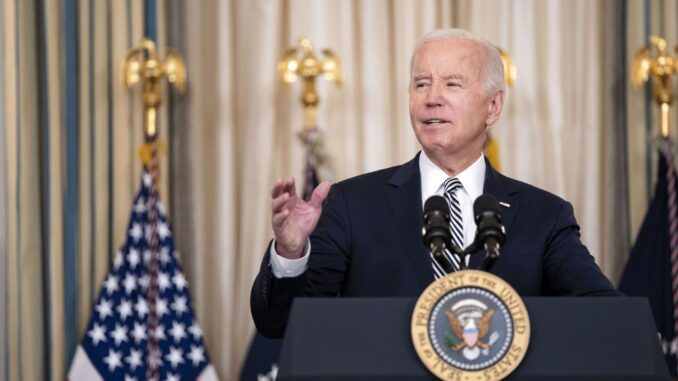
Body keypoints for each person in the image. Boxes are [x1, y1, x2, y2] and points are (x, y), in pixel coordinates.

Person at [250, 28, 619, 339]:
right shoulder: (352, 204)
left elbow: (601, 310)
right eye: (421, 84)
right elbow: (280, 324)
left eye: (452, 84)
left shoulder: (543, 215)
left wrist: (636, 333)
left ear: (493, 106)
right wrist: (292, 255)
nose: (432, 99)